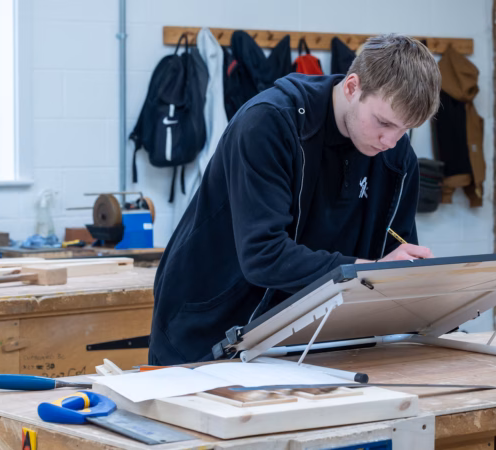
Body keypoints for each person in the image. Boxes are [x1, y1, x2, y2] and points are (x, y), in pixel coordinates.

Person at [150, 33, 442, 365]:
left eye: (405, 129)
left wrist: (412, 279)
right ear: (352, 87)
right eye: (384, 123)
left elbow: (395, 252)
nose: (391, 140)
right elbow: (263, 254)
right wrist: (368, 271)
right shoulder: (269, 123)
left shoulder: (397, 156)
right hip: (208, 328)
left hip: (300, 338)